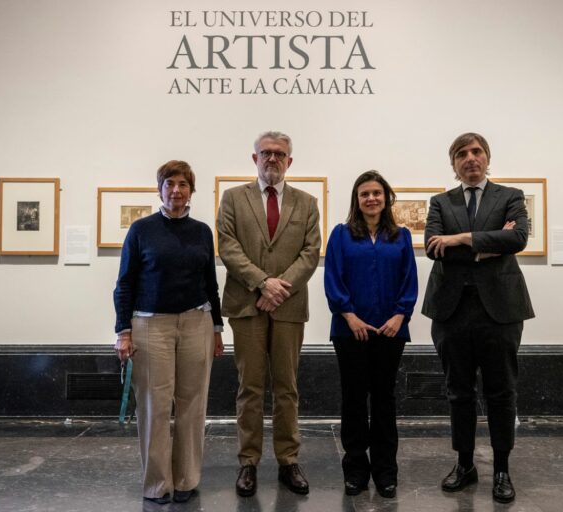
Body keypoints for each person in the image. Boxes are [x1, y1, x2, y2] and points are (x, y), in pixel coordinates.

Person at [422, 133, 534, 504]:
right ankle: (464, 463)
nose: (470, 159)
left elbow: (517, 238)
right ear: (452, 163)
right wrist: (487, 246)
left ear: (487, 158)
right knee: (459, 392)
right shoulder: (440, 202)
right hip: (451, 310)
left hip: (500, 309)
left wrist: (462, 238)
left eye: (476, 152)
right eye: (461, 154)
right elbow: (433, 247)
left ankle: (501, 468)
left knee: (502, 392)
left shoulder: (510, 197)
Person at [113, 160, 225, 505]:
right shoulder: (141, 230)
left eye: (183, 184)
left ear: (191, 191)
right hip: (151, 325)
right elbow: (125, 284)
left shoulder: (203, 231)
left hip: (197, 323)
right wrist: (123, 331)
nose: (176, 190)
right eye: (170, 184)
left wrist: (218, 328)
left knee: (193, 405)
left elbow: (210, 283)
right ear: (160, 189)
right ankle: (157, 484)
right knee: (154, 406)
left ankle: (187, 479)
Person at [217, 131, 321, 497]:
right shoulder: (233, 198)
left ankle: (288, 459)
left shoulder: (307, 203)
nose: (272, 159)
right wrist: (263, 283)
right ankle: (248, 462)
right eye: (266, 153)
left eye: (280, 154)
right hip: (246, 305)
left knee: (287, 387)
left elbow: (311, 252)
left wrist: (279, 289)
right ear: (255, 158)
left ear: (289, 161)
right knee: (249, 387)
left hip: (289, 307)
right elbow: (227, 246)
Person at [324, 171, 418, 499]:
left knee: (383, 400)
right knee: (353, 399)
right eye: (365, 194)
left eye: (377, 193)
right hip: (350, 331)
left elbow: (409, 281)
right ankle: (355, 471)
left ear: (386, 197)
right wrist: (349, 316)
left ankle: (385, 471)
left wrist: (399, 316)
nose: (371, 199)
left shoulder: (401, 237)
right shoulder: (340, 235)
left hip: (390, 331)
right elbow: (333, 279)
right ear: (357, 200)